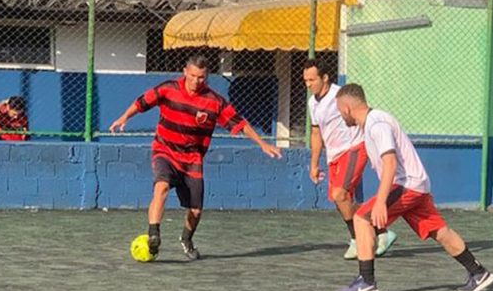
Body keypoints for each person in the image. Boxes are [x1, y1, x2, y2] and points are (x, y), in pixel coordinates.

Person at [110, 54, 282, 260]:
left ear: (207, 76)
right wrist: (124, 117)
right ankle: (154, 234)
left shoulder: (214, 102)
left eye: (201, 77)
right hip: (165, 150)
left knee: (196, 211)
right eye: (192, 76)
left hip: (192, 159)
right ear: (185, 72)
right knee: (161, 186)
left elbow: (239, 123)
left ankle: (186, 239)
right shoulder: (168, 89)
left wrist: (262, 143)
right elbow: (142, 102)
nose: (196, 81)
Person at [333, 83, 493, 291]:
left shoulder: (376, 124)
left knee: (362, 218)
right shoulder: (376, 121)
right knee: (439, 230)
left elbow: (390, 162)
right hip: (417, 186)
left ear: (346, 108)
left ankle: (366, 282)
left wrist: (381, 201)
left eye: (339, 111)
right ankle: (478, 272)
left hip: (406, 185)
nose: (340, 116)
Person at [303, 59, 396, 260]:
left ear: (325, 78)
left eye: (312, 80)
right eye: (305, 80)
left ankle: (358, 239)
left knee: (339, 194)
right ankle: (380, 232)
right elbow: (316, 133)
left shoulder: (340, 96)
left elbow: (362, 113)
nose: (308, 84)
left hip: (354, 148)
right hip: (334, 155)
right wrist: (314, 164)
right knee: (342, 201)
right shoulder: (313, 103)